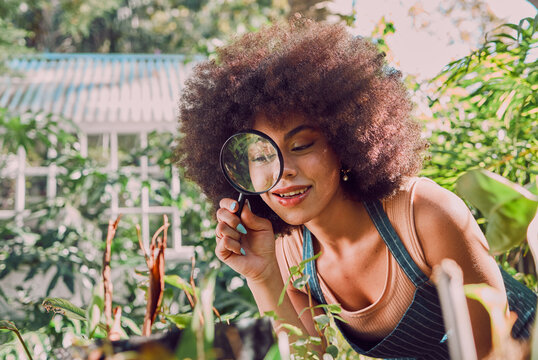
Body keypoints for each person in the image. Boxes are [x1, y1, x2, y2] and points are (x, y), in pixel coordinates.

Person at [175, 16, 536, 359]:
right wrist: (262, 274)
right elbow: (302, 356)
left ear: (346, 143)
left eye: (301, 146)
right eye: (260, 155)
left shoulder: (424, 213)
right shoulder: (286, 252)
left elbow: (492, 353)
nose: (282, 172)